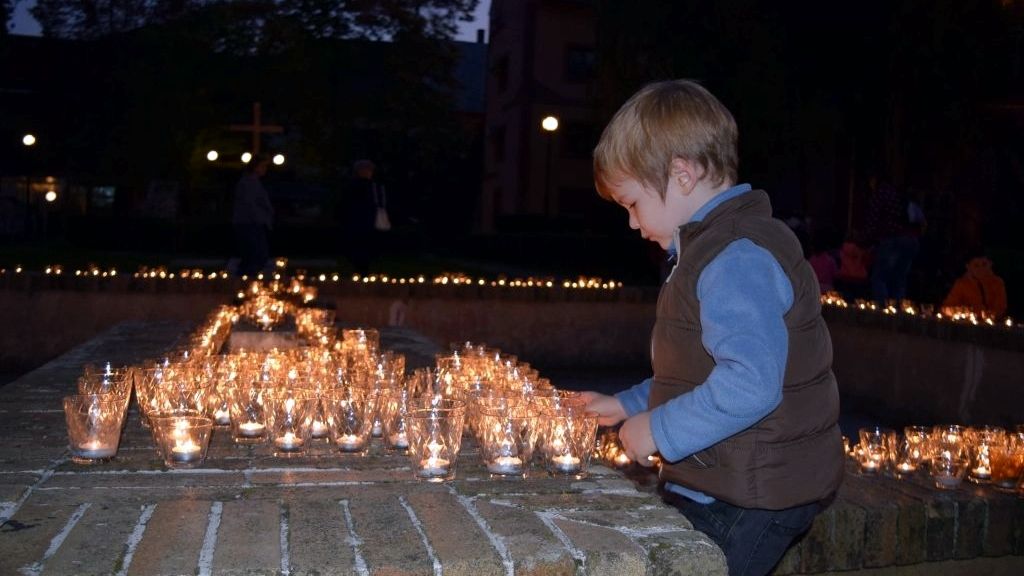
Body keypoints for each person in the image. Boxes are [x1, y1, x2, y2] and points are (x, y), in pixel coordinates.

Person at [582, 79, 843, 576]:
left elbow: (749, 383)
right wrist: (626, 405)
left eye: (632, 204)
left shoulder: (734, 256)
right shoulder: (708, 249)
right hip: (733, 478)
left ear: (681, 175)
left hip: (755, 492)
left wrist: (656, 430)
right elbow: (699, 370)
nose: (633, 224)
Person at [865, 175, 925, 304]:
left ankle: (882, 309)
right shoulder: (902, 194)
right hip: (910, 240)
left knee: (880, 276)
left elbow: (873, 219)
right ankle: (897, 308)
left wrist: (869, 239)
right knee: (899, 278)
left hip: (891, 239)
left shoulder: (882, 193)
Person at [338, 159, 384, 275]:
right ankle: (363, 269)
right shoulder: (373, 187)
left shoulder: (351, 186)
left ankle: (359, 269)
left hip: (357, 221)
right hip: (366, 220)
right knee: (364, 246)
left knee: (358, 247)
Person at [231, 154, 274, 276]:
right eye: (263, 166)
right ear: (255, 167)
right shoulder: (248, 183)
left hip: (252, 223)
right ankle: (242, 279)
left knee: (254, 256)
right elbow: (250, 205)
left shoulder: (254, 182)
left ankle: (243, 280)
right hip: (249, 224)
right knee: (256, 255)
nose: (265, 169)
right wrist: (262, 219)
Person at [942, 254, 1008, 319]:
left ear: (990, 264)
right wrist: (962, 311)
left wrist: (990, 314)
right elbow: (948, 307)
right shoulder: (962, 284)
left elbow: (1001, 308)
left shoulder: (997, 282)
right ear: (968, 267)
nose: (981, 269)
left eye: (984, 264)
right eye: (976, 266)